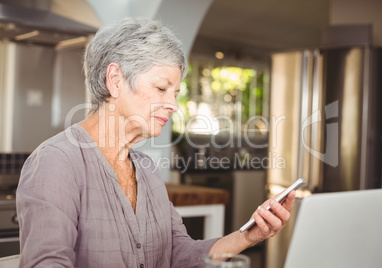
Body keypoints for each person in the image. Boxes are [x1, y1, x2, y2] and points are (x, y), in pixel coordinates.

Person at [16, 17, 295, 267]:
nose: (173, 105)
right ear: (115, 80)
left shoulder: (147, 170)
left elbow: (177, 253)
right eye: (161, 88)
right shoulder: (57, 162)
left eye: (175, 93)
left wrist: (249, 235)